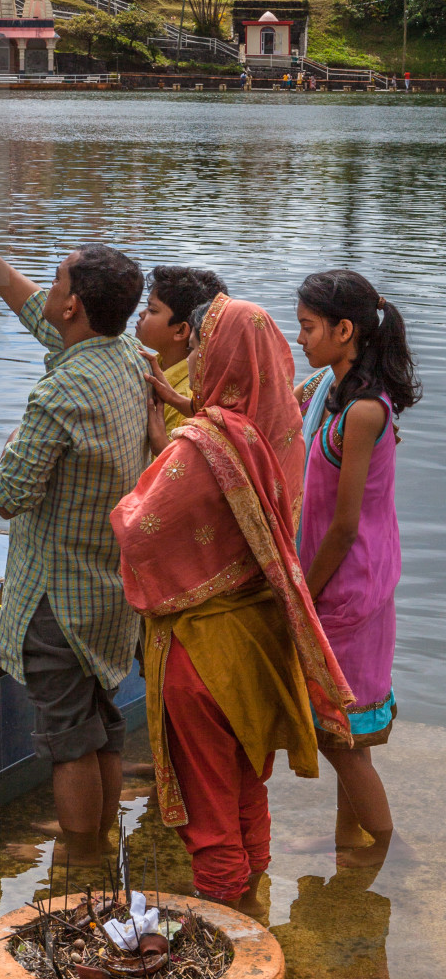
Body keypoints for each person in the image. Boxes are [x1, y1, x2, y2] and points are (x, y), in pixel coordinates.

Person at [112, 295, 353, 906]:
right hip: (258, 639)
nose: (193, 355)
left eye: (201, 348)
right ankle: (257, 920)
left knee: (208, 811)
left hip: (203, 650)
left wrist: (135, 486)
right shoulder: (280, 430)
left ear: (219, 357)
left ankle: (224, 936)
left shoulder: (205, 443)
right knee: (247, 789)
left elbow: (139, 529)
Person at [0, 213, 148, 860]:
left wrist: (6, 450)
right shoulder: (125, 355)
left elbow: (8, 497)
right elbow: (34, 309)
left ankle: (82, 863)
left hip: (57, 603)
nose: (49, 287)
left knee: (67, 741)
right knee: (101, 730)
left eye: (58, 277)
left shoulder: (60, 394)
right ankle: (103, 851)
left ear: (76, 305)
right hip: (109, 594)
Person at [295, 270, 420, 860]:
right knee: (353, 734)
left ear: (345, 331)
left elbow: (345, 526)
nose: (301, 338)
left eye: (309, 327)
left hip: (346, 589)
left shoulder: (364, 412)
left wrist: (302, 592)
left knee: (339, 739)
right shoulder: (335, 393)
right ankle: (350, 843)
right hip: (347, 583)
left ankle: (382, 848)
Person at [135, 266, 226, 431]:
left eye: (152, 310)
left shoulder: (185, 397)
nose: (141, 314)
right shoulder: (156, 362)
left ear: (181, 330)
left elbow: (169, 455)